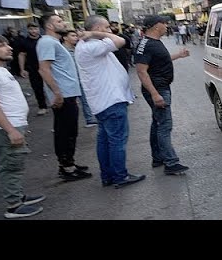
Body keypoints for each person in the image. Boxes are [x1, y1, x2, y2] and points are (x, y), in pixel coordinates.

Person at [75, 15, 146, 188]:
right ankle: (120, 176)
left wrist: (93, 34)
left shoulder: (87, 45)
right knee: (117, 141)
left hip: (104, 101)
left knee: (106, 141)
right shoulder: (92, 46)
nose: (110, 30)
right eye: (106, 28)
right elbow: (120, 40)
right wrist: (94, 34)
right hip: (110, 101)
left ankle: (108, 175)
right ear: (97, 29)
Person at [0, 33, 45, 218]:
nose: (9, 48)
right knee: (11, 166)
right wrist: (10, 130)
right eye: (1, 45)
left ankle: (18, 196)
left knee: (15, 164)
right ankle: (13, 206)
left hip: (12, 125)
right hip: (3, 129)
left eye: (7, 44)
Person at [36, 14, 92, 181]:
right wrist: (57, 93)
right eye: (59, 21)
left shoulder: (54, 42)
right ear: (49, 26)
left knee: (70, 131)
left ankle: (70, 163)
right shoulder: (46, 42)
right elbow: (44, 69)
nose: (64, 23)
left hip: (68, 93)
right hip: (62, 95)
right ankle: (66, 167)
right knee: (64, 132)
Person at [135, 15, 190, 175]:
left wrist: (178, 56)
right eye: (164, 23)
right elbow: (141, 71)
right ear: (156, 26)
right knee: (165, 125)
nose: (167, 26)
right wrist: (155, 94)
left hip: (160, 87)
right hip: (158, 89)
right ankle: (171, 163)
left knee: (157, 123)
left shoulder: (151, 42)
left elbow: (160, 61)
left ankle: (158, 157)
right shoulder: (147, 44)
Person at [61, 30, 98, 127]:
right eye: (73, 36)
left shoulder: (77, 48)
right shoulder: (62, 50)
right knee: (69, 104)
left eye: (76, 36)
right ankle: (64, 124)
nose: (76, 38)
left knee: (85, 99)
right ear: (65, 38)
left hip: (80, 78)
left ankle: (90, 119)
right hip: (69, 81)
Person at [18, 22, 48, 116]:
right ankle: (42, 106)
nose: (34, 31)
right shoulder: (24, 42)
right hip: (33, 68)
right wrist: (22, 69)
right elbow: (22, 55)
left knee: (51, 84)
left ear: (39, 29)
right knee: (37, 87)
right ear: (28, 30)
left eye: (35, 29)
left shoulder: (44, 40)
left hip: (47, 66)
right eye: (31, 29)